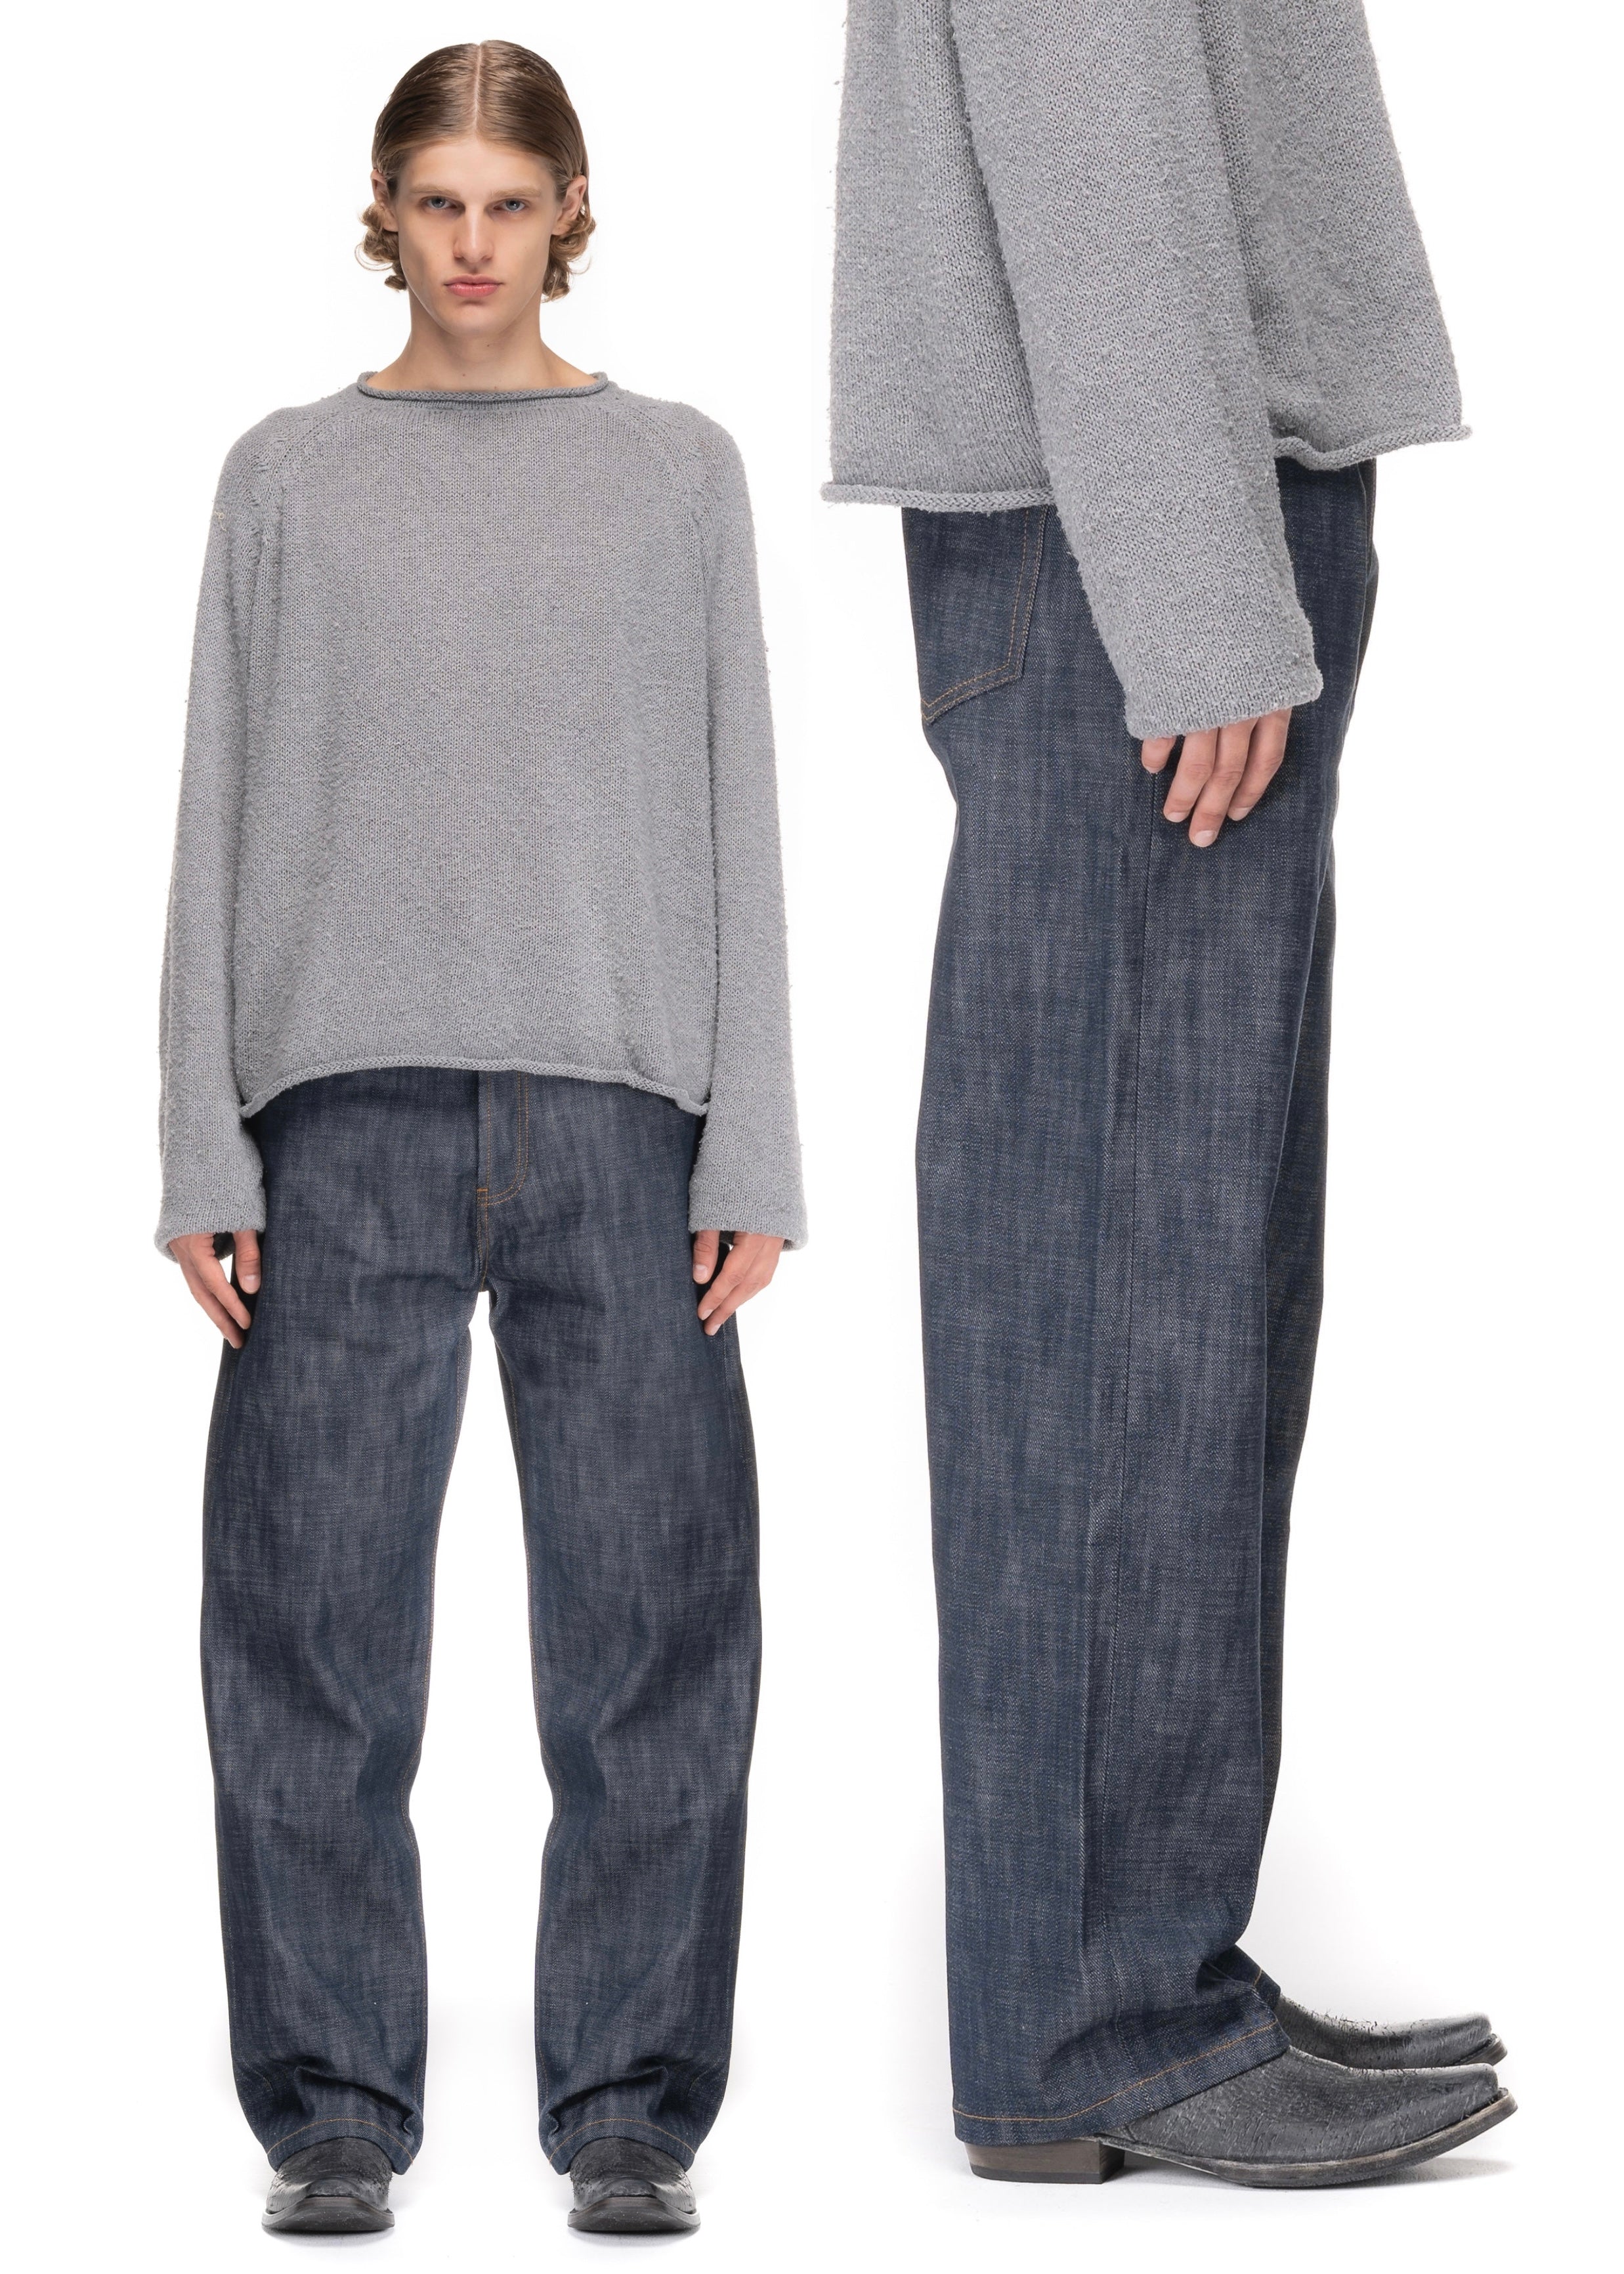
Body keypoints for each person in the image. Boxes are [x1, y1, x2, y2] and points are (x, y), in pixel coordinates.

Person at [826, 0, 1514, 2188]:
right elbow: (1085, 108)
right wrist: (1198, 585)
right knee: (1120, 1306)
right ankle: (1097, 2024)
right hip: (1125, 544)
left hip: (1147, 518)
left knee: (1185, 1296)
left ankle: (1141, 1968)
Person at [159, 40, 803, 2238]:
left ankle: (628, 2111)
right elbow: (215, 804)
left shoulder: (675, 472)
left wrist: (753, 1146)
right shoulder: (284, 476)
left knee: (654, 1647)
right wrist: (201, 1143)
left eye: (506, 203)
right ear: (384, 211)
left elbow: (735, 801)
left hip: (626, 1114)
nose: (469, 244)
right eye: (435, 201)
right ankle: (332, 2111)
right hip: (335, 1113)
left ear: (568, 213)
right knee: (307, 1647)